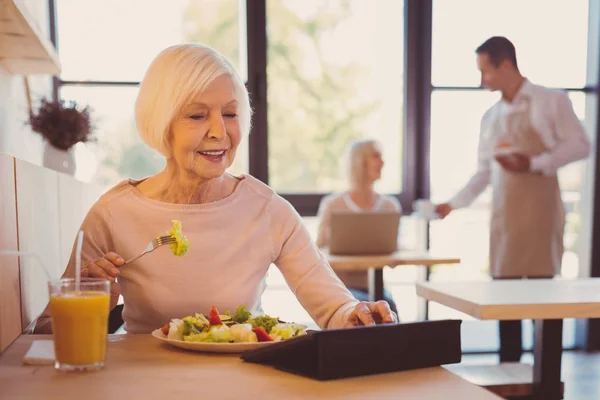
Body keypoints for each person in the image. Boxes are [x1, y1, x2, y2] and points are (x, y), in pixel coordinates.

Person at [33, 44, 397, 334]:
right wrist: (93, 302)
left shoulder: (267, 209)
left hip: (244, 381)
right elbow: (46, 333)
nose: (219, 132)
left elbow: (334, 306)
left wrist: (358, 313)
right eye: (196, 115)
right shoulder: (113, 213)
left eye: (230, 113)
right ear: (162, 124)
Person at [434, 36, 591, 362]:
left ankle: (546, 379)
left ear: (505, 64)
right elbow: (484, 173)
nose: (482, 81)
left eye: (485, 71)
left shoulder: (551, 101)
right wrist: (454, 203)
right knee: (505, 301)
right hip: (505, 220)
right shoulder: (490, 118)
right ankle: (510, 376)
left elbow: (581, 145)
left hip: (541, 215)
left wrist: (534, 163)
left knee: (544, 301)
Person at [316, 139, 401, 315]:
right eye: (376, 156)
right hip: (342, 289)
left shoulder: (390, 206)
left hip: (377, 289)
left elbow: (395, 251)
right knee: (362, 310)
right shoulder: (333, 204)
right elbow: (318, 249)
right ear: (360, 162)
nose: (383, 162)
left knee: (389, 309)